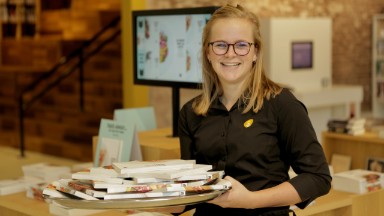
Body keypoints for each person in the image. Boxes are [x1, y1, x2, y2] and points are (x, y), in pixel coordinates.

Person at [177, 3, 332, 216]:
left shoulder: (282, 104)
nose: (230, 54)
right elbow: (191, 193)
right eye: (220, 45)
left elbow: (318, 178)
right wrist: (147, 200)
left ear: (255, 52)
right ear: (208, 52)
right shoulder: (190, 113)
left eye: (241, 45)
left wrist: (250, 200)